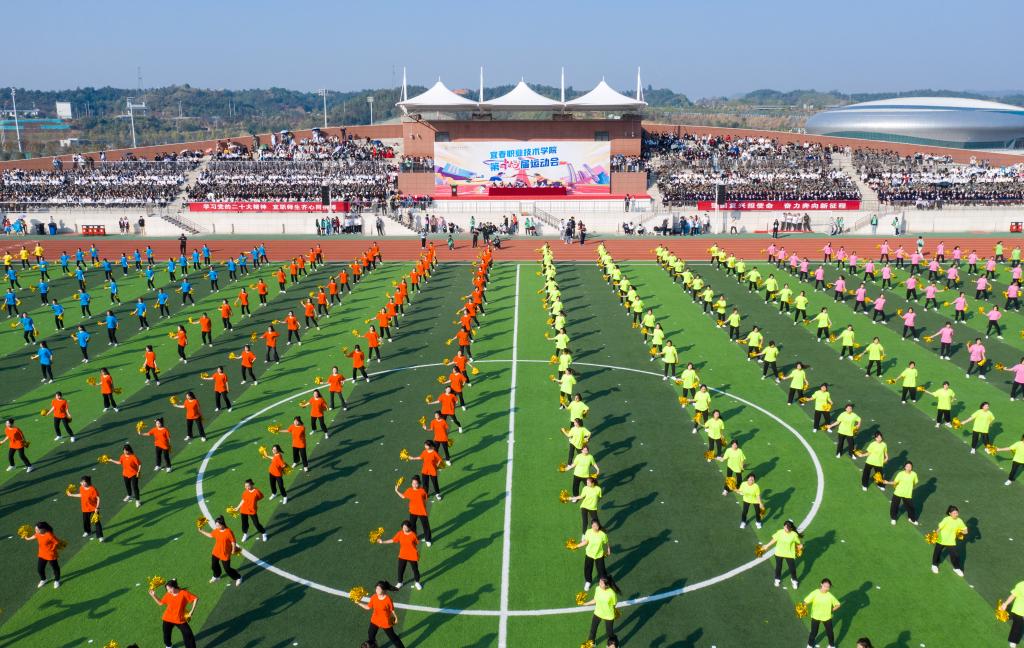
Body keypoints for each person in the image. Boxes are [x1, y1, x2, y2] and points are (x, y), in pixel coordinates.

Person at [354, 581, 406, 648]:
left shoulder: (388, 599)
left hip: (385, 622)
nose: (377, 590)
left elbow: (392, 610)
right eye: (376, 588)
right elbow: (368, 607)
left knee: (393, 637)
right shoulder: (374, 597)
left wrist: (396, 618)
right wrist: (359, 603)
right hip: (375, 620)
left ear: (383, 590)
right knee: (370, 635)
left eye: (379, 589)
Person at [149, 578, 198, 648]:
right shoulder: (168, 594)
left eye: (169, 589)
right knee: (166, 634)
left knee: (188, 634)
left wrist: (191, 611)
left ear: (174, 587)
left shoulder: (183, 593)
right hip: (167, 618)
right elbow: (160, 603)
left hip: (179, 619)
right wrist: (153, 595)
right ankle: (168, 646)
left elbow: (195, 599)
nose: (168, 591)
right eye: (167, 590)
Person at [377, 520, 423, 590]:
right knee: (400, 569)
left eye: (406, 527)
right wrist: (382, 542)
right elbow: (393, 540)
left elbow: (416, 543)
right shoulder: (400, 533)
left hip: (412, 555)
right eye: (403, 527)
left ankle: (417, 582)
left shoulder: (413, 535)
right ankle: (400, 582)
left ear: (409, 527)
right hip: (402, 555)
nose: (404, 529)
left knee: (415, 570)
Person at [198, 516, 242, 586]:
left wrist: (233, 550)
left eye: (218, 525)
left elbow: (233, 542)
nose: (217, 527)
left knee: (227, 569)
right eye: (216, 525)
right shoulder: (217, 530)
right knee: (214, 566)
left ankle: (238, 577)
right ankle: (216, 576)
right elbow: (210, 535)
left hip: (225, 553)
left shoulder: (228, 532)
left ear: (222, 524)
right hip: (216, 552)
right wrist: (201, 531)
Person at [761, 519, 803, 588]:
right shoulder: (780, 532)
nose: (786, 529)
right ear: (784, 526)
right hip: (779, 553)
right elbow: (774, 539)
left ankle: (794, 580)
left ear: (791, 528)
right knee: (778, 567)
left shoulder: (794, 535)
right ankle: (777, 579)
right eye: (785, 527)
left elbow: (798, 543)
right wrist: (767, 546)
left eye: (788, 528)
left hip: (789, 554)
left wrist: (800, 546)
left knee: (792, 568)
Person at [582, 576, 620, 645]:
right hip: (598, 612)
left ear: (606, 585)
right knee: (593, 630)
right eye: (599, 582)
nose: (599, 584)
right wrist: (585, 604)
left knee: (609, 633)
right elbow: (595, 600)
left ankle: (615, 642)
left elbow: (614, 604)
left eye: (601, 583)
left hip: (608, 615)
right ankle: (591, 643)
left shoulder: (612, 594)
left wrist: (614, 612)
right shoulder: (597, 589)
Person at [803, 578, 841, 648]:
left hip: (826, 617)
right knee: (814, 632)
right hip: (815, 616)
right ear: (821, 584)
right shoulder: (815, 593)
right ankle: (810, 645)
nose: (826, 588)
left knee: (830, 633)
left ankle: (832, 645)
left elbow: (838, 605)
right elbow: (806, 601)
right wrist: (802, 608)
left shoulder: (830, 596)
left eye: (828, 587)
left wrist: (831, 610)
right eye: (825, 586)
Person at [931, 505, 967, 576]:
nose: (956, 514)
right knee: (937, 552)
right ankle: (934, 565)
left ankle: (956, 568)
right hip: (941, 539)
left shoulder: (959, 521)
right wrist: (934, 536)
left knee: (954, 555)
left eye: (957, 513)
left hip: (951, 541)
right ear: (950, 513)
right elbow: (939, 528)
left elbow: (965, 531)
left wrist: (959, 532)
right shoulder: (946, 519)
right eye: (954, 513)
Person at [24, 521, 62, 588]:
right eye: (35, 529)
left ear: (43, 529)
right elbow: (34, 536)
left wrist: (52, 549)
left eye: (37, 529)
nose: (36, 531)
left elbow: (56, 542)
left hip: (50, 555)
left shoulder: (49, 535)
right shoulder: (38, 534)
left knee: (55, 568)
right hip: (42, 554)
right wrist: (27, 538)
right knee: (40, 569)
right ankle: (43, 579)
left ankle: (57, 580)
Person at [577, 520, 611, 591]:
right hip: (589, 554)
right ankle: (588, 581)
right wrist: (577, 546)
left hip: (599, 555)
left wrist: (608, 549)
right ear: (592, 526)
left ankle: (603, 582)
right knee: (588, 569)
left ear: (599, 526)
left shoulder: (603, 534)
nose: (595, 527)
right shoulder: (588, 532)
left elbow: (606, 542)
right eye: (593, 525)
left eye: (596, 525)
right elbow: (585, 542)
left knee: (601, 570)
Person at [67, 475, 103, 541]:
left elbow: (98, 498)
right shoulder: (81, 488)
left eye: (84, 482)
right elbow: (81, 495)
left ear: (88, 482)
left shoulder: (93, 489)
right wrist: (72, 495)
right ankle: (87, 531)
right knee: (86, 521)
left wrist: (97, 507)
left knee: (97, 522)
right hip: (85, 508)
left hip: (94, 508)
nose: (82, 483)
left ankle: (100, 536)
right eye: (81, 482)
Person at [884, 461, 919, 525]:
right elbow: (895, 482)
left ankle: (911, 519)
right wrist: (887, 482)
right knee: (894, 506)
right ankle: (893, 518)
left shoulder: (914, 474)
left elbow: (915, 482)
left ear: (912, 467)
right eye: (907, 466)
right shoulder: (900, 474)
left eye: (910, 466)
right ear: (905, 467)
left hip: (907, 494)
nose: (908, 468)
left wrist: (909, 488)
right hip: (898, 492)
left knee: (911, 507)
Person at [999, 579, 1024, 647]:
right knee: (1018, 627)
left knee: (1020, 628)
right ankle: (1013, 642)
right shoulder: (1021, 585)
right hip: (1019, 611)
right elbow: (1013, 595)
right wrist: (1005, 604)